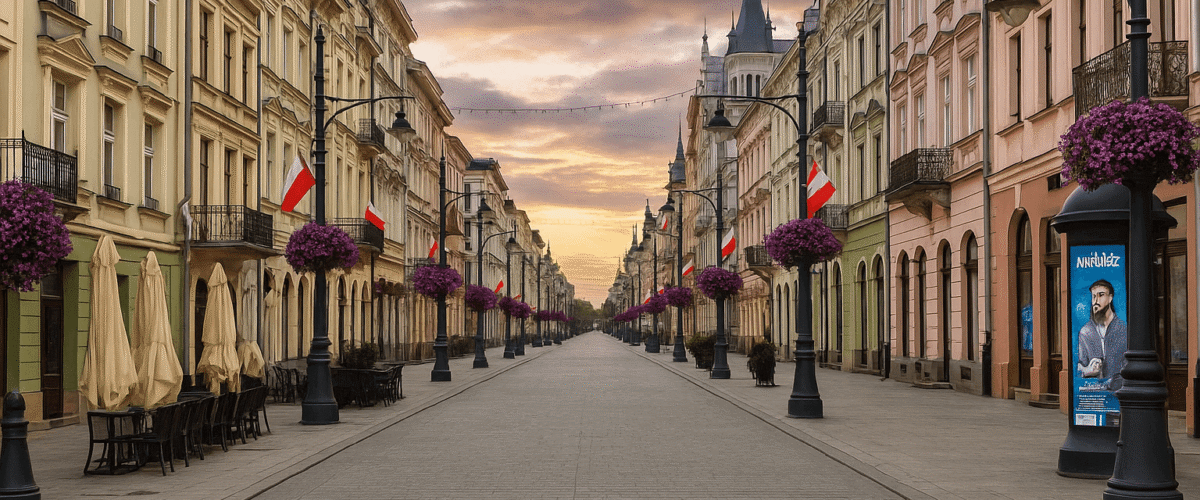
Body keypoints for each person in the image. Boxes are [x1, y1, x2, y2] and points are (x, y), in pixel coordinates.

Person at [1076, 279, 1128, 390]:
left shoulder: (1124, 329)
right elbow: (1079, 366)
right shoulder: (1085, 332)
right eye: (1094, 296)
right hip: (1095, 393)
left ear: (1110, 298)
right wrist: (1088, 370)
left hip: (1120, 393)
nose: (1096, 300)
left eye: (1101, 295)